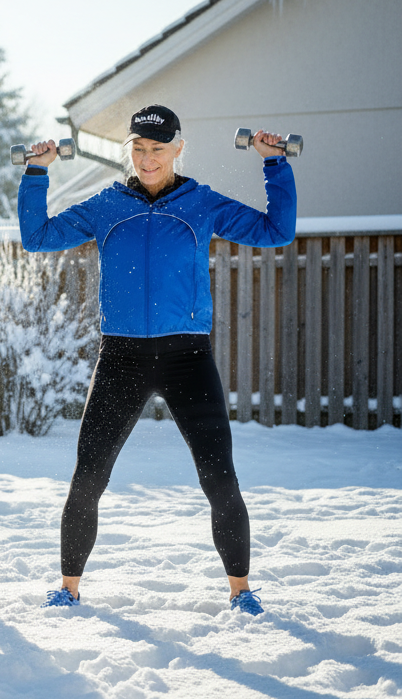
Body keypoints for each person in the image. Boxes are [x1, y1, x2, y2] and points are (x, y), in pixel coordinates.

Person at [18, 104, 297, 615]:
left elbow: (276, 231)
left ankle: (241, 591)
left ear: (178, 149)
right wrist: (36, 172)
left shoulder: (201, 204)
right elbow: (37, 237)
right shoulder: (106, 205)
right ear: (130, 150)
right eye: (139, 149)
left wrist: (275, 165)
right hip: (121, 356)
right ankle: (68, 588)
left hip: (187, 356)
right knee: (89, 474)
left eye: (158, 150)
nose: (148, 160)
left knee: (219, 476)